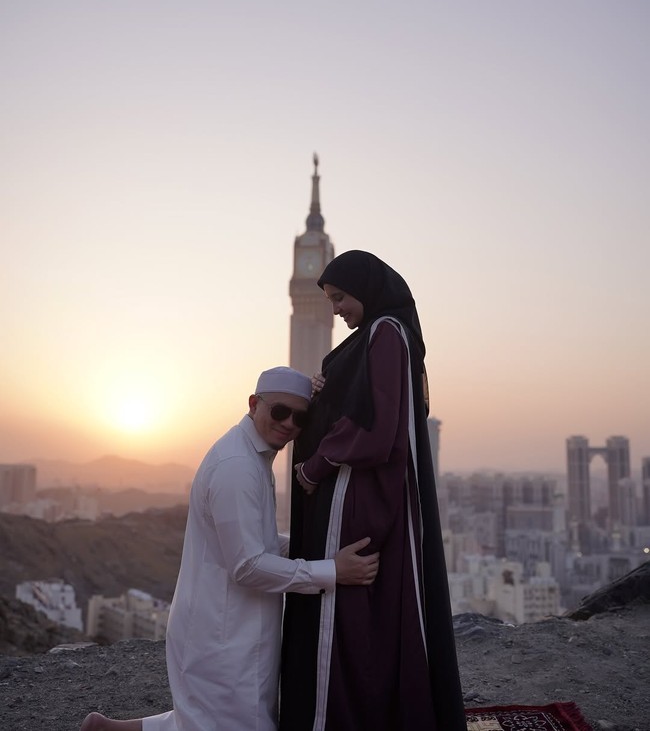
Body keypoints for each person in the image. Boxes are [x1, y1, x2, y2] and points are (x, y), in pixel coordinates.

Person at [80, 366, 379, 731]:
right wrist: (331, 571)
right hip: (222, 637)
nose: (289, 424)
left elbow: (255, 541)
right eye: (279, 411)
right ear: (254, 404)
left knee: (210, 719)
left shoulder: (251, 454)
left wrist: (319, 548)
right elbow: (247, 566)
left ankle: (109, 729)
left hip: (228, 628)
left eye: (300, 417)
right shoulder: (237, 466)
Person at [279, 251, 466, 731]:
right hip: (373, 495)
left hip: (356, 496)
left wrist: (315, 467)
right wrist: (329, 385)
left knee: (349, 613)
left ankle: (341, 714)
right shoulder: (380, 336)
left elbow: (376, 430)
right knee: (373, 614)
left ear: (366, 288)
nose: (336, 309)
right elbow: (363, 403)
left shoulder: (385, 334)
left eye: (340, 298)